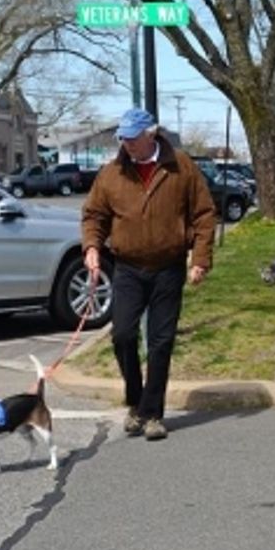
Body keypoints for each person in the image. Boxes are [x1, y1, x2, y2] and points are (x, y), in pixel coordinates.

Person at [81, 108, 217, 441]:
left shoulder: (180, 165)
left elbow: (204, 214)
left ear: (150, 134)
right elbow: (94, 215)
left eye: (133, 137)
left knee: (161, 341)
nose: (127, 144)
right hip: (128, 267)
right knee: (123, 336)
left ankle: (152, 413)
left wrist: (200, 259)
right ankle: (136, 399)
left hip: (168, 266)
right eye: (123, 138)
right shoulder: (112, 173)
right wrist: (92, 247)